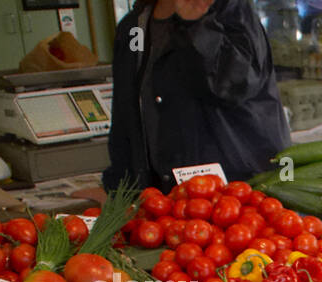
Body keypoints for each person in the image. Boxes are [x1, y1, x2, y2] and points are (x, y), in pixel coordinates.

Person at [103, 0, 290, 191]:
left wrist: (196, 25)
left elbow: (237, 83)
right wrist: (117, 190)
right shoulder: (135, 25)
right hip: (169, 202)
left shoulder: (229, 9)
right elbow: (126, 120)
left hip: (239, 195)